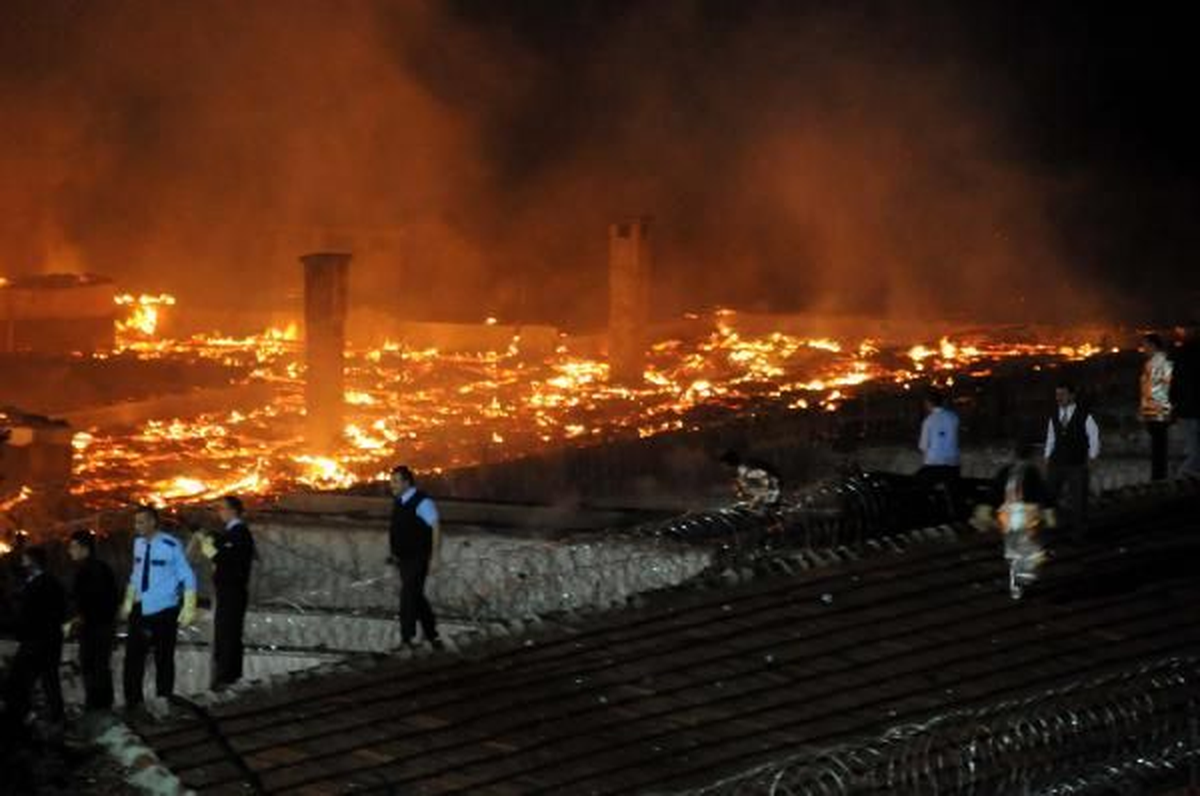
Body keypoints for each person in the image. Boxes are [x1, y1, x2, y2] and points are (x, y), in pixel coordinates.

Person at [121, 505, 197, 710]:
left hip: (164, 609)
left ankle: (164, 699)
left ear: (153, 522)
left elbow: (187, 575)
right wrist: (128, 602)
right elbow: (136, 574)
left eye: (141, 522)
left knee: (164, 657)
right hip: (141, 608)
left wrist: (189, 606)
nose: (137, 526)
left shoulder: (170, 544)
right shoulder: (138, 544)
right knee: (133, 658)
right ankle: (133, 703)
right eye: (136, 522)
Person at [2, 546, 66, 731]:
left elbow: (26, 616)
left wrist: (9, 626)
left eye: (25, 560)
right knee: (49, 680)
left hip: (36, 641)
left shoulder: (38, 586)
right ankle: (55, 719)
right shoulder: (49, 582)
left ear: (34, 562)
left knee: (18, 681)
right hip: (49, 639)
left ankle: (23, 720)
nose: (22, 564)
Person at [201, 495, 256, 689]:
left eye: (222, 508)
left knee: (228, 633)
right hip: (228, 590)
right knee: (226, 632)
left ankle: (227, 677)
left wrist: (209, 549)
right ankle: (227, 675)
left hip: (232, 590)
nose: (219, 513)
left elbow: (225, 558)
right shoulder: (231, 533)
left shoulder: (239, 533)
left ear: (233, 511)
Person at [65, 529, 119, 712]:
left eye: (73, 547)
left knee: (94, 668)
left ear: (85, 548)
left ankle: (97, 709)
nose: (70, 551)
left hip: (95, 628)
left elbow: (93, 600)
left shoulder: (89, 571)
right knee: (98, 667)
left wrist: (80, 618)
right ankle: (101, 707)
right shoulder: (99, 568)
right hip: (100, 626)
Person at [387, 466, 440, 648]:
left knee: (408, 595)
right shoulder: (400, 502)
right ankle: (432, 633)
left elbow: (435, 527)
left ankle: (406, 638)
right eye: (391, 481)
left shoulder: (422, 502)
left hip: (418, 558)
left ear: (407, 482)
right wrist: (394, 554)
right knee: (416, 595)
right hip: (404, 559)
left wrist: (435, 556)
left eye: (396, 481)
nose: (392, 485)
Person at [1044, 383, 1100, 540]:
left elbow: (1094, 436)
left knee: (1078, 498)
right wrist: (1047, 456)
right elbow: (1051, 438)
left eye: (1062, 394)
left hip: (1076, 462)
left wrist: (1092, 456)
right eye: (1057, 394)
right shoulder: (1054, 416)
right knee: (1050, 495)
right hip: (1056, 462)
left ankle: (1078, 532)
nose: (1058, 398)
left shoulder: (1084, 416)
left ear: (1072, 395)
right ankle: (1051, 527)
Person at [1138, 333, 1173, 481]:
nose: (1143, 348)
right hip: (1158, 413)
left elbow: (1156, 392)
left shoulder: (1156, 363)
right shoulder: (1159, 362)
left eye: (1145, 345)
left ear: (1152, 345)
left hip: (1157, 414)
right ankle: (1159, 479)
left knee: (1158, 449)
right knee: (1159, 449)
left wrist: (1146, 412)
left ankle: (1158, 481)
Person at [1170, 324, 1200, 478]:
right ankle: (1182, 478)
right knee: (1195, 452)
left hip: (1186, 410)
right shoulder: (1184, 355)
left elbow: (1174, 384)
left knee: (1194, 450)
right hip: (1190, 409)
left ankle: (1184, 478)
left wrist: (1174, 403)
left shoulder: (1180, 355)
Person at [917, 389, 961, 486]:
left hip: (933, 465)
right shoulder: (954, 417)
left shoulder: (928, 420)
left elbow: (923, 446)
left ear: (928, 403)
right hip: (953, 465)